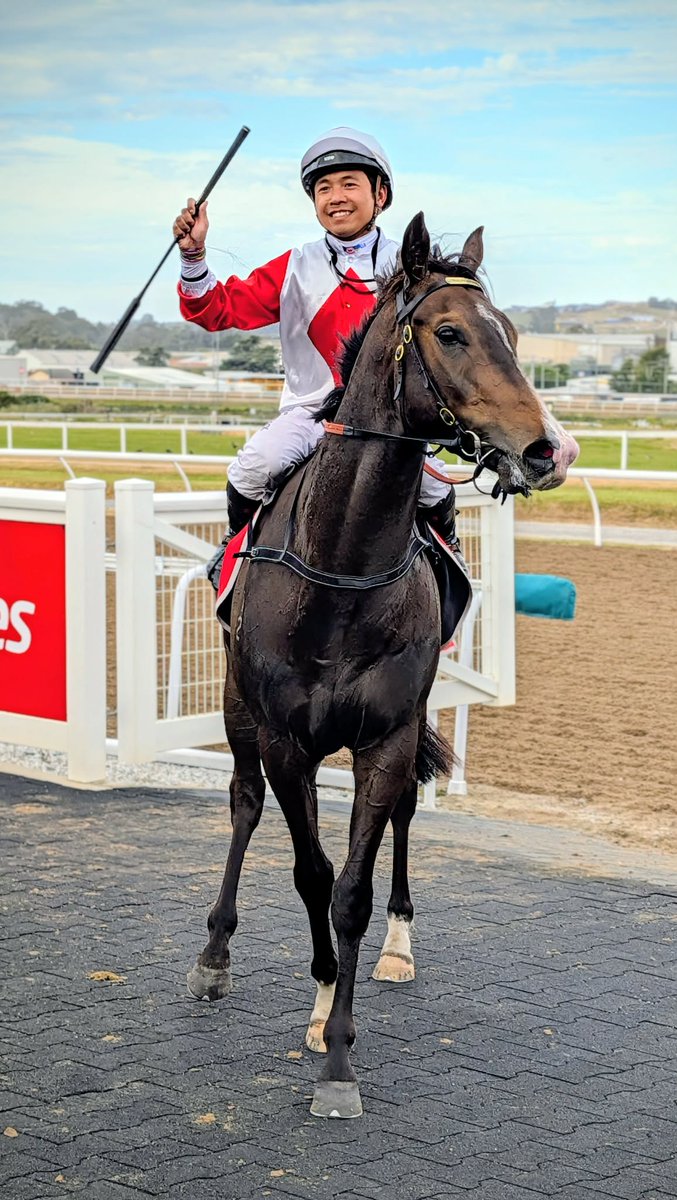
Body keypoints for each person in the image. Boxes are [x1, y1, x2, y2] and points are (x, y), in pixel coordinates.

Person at [173, 127, 459, 588]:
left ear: (380, 194)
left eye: (349, 183)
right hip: (311, 415)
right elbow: (213, 308)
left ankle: (448, 565)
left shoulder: (411, 268)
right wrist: (193, 254)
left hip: (392, 424)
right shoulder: (293, 266)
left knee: (436, 486)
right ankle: (234, 553)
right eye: (323, 188)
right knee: (254, 466)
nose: (335, 197)